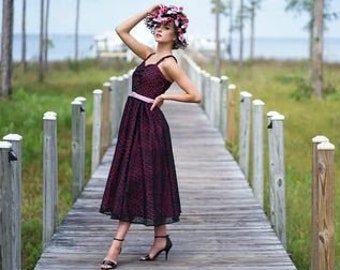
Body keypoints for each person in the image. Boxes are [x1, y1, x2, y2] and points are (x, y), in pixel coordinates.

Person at [99, 4, 201, 269]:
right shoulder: (147, 55)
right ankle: (161, 239)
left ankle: (115, 246)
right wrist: (149, 11)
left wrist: (166, 95)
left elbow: (195, 95)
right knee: (147, 178)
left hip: (150, 125)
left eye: (167, 27)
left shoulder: (169, 64)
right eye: (158, 25)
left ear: (176, 36)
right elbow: (121, 30)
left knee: (135, 180)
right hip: (132, 121)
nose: (159, 30)